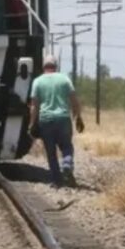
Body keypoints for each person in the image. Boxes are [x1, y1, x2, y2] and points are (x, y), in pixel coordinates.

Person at [29, 55, 84, 188]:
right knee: (67, 146)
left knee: (51, 152)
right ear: (56, 66)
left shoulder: (37, 81)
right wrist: (78, 116)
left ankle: (57, 181)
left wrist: (31, 123)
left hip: (46, 120)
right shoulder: (64, 79)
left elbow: (34, 106)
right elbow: (74, 99)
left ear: (43, 67)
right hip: (63, 119)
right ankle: (67, 164)